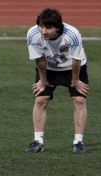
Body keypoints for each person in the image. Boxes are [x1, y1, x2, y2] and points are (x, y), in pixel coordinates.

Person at [25, 8, 89, 154]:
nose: (43, 31)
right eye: (41, 26)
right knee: (41, 99)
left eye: (48, 28)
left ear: (58, 28)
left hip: (73, 68)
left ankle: (78, 142)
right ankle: (37, 141)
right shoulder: (33, 34)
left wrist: (76, 80)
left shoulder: (72, 35)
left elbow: (76, 60)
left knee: (79, 100)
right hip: (49, 68)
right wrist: (42, 80)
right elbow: (39, 59)